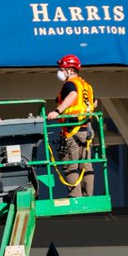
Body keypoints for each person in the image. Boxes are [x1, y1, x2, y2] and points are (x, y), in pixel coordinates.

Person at [46, 54, 96, 198]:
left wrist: (57, 111)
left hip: (72, 129)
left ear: (69, 70)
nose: (60, 71)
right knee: (86, 164)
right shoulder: (87, 86)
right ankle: (89, 195)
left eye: (62, 68)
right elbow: (94, 103)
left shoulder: (70, 84)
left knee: (71, 164)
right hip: (86, 129)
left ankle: (76, 196)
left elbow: (73, 95)